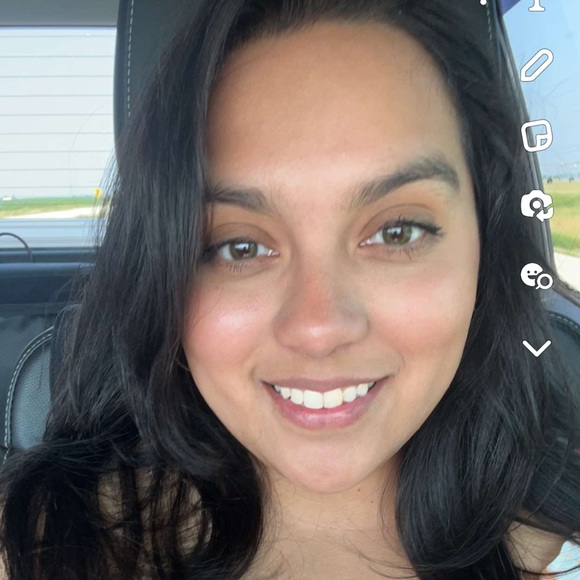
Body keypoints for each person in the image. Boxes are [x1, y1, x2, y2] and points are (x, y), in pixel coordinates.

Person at [1, 0, 579, 578]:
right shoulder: (40, 548)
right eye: (239, 247)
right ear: (162, 273)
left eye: (397, 231)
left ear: (486, 244)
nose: (318, 328)